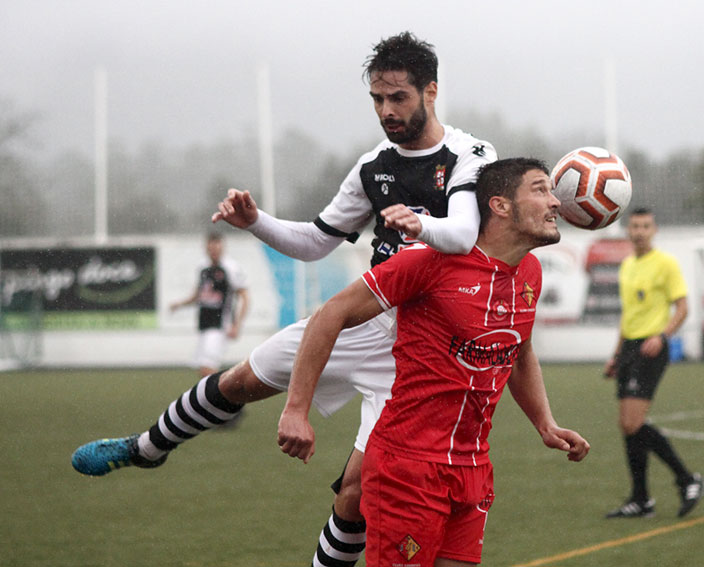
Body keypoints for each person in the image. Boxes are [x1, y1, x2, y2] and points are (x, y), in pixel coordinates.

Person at [70, 31, 497, 567]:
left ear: (431, 92)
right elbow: (315, 241)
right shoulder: (372, 167)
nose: (386, 111)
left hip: (418, 349)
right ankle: (146, 449)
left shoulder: (470, 154)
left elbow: (460, 234)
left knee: (357, 494)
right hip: (362, 319)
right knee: (238, 382)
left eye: (399, 98)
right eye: (377, 100)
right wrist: (256, 222)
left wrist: (420, 224)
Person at [277, 158, 590, 566]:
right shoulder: (429, 262)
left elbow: (519, 350)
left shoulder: (529, 271)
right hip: (408, 468)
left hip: (474, 467)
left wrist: (545, 424)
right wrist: (297, 410)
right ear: (499, 206)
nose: (556, 201)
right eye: (541, 190)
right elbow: (329, 315)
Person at [603, 208, 704, 519]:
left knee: (633, 423)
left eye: (645, 226)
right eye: (634, 226)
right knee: (628, 426)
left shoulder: (666, 264)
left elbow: (683, 308)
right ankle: (641, 500)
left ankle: (688, 480)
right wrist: (616, 355)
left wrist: (662, 336)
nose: (639, 231)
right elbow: (628, 316)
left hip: (652, 347)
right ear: (628, 230)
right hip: (630, 348)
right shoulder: (627, 266)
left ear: (654, 229)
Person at [169, 232, 249, 377]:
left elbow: (245, 298)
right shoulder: (203, 268)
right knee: (204, 371)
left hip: (220, 325)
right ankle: (217, 398)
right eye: (211, 249)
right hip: (204, 323)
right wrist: (180, 304)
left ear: (222, 248)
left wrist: (237, 325)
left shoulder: (230, 268)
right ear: (206, 248)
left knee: (208, 368)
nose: (214, 252)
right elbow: (198, 296)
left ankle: (224, 398)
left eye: (217, 248)